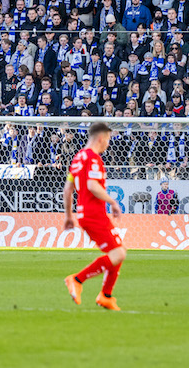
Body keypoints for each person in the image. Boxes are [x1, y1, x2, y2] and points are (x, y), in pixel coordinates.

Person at [62, 121, 125, 311]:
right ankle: (77, 279)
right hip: (94, 213)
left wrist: (68, 215)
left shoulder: (78, 157)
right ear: (101, 138)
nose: (108, 144)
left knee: (117, 252)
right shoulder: (93, 158)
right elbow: (92, 185)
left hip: (84, 213)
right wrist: (113, 202)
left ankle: (106, 296)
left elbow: (68, 188)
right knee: (118, 253)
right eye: (108, 140)